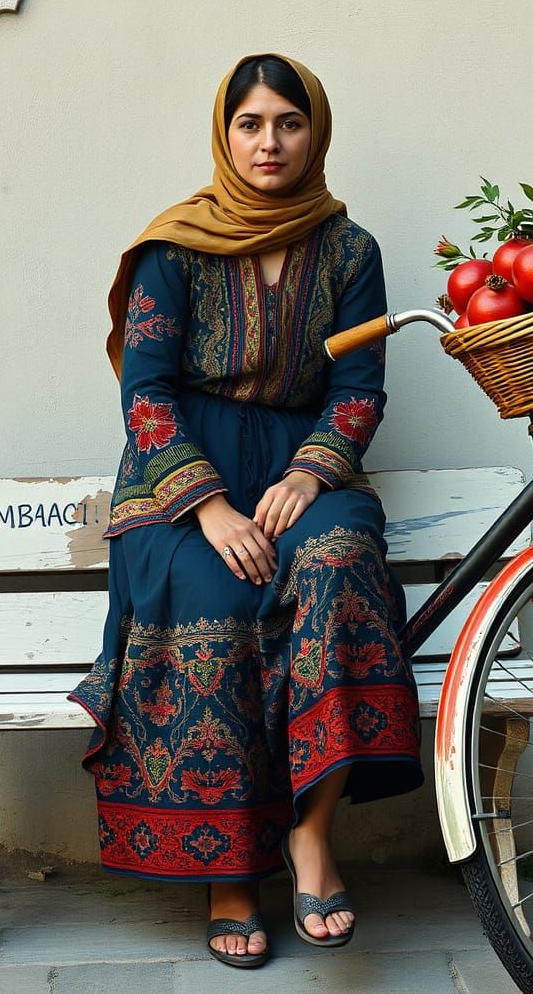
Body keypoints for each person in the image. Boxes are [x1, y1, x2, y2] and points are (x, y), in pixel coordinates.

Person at [68, 52, 424, 969]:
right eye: (251, 124)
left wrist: (312, 474)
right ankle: (231, 873)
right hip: (180, 484)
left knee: (340, 562)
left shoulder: (351, 251)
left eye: (290, 123)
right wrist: (210, 509)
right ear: (225, 134)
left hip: (301, 473)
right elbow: (144, 393)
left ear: (317, 132)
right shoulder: (174, 246)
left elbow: (358, 385)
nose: (271, 143)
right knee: (222, 602)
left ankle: (310, 836)